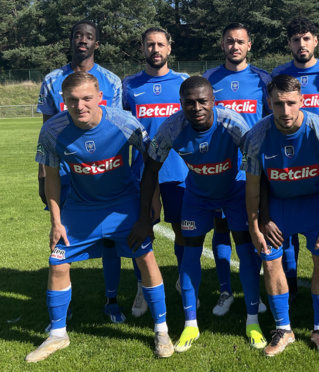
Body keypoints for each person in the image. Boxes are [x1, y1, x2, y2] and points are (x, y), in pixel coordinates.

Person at [28, 72, 173, 363]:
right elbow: (52, 179)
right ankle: (58, 334)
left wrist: (153, 200)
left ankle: (162, 330)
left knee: (146, 257)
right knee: (57, 261)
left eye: (86, 99)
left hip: (123, 204)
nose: (80, 106)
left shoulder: (124, 122)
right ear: (63, 102)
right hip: (80, 207)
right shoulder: (52, 131)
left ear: (99, 98)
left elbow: (151, 160)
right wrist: (56, 221)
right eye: (72, 101)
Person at [128, 76, 268, 352]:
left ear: (213, 101)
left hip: (234, 193)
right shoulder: (171, 127)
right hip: (196, 197)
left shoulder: (232, 123)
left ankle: (253, 320)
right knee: (189, 254)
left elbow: (258, 167)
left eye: (202, 101)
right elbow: (150, 170)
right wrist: (144, 219)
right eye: (189, 102)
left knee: (245, 250)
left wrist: (262, 213)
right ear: (181, 103)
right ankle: (190, 323)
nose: (196, 107)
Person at [243, 74, 319, 357]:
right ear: (269, 102)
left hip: (314, 205)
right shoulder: (257, 136)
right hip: (279, 206)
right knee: (271, 262)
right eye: (278, 104)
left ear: (302, 100)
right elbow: (252, 185)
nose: (285, 111)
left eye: (290, 103)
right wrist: (255, 224)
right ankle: (283, 329)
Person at [36, 19, 126, 328]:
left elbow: (111, 124)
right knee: (62, 238)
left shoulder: (111, 81)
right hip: (62, 171)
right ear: (71, 40)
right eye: (78, 35)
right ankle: (62, 313)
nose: (82, 40)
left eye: (89, 37)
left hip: (100, 171)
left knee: (111, 239)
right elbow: (46, 130)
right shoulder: (51, 79)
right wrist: (41, 176)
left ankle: (111, 300)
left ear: (96, 44)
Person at [271, 16, 319, 306]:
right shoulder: (279, 73)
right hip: (287, 158)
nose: (301, 44)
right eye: (296, 39)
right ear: (289, 43)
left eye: (306, 38)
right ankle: (290, 283)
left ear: (315, 41)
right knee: (285, 233)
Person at [203, 22, 271, 316]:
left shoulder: (263, 79)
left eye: (240, 41)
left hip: (253, 170)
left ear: (249, 45)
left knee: (251, 232)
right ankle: (225, 291)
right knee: (221, 229)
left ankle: (254, 292)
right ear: (222, 44)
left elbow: (272, 123)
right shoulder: (208, 79)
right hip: (219, 169)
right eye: (230, 41)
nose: (235, 46)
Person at [122, 26, 189, 318]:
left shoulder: (185, 82)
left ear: (169, 48)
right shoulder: (129, 85)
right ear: (142, 49)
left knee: (182, 230)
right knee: (142, 228)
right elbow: (120, 129)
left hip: (178, 170)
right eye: (150, 44)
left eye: (160, 44)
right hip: (141, 172)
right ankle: (142, 286)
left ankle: (184, 282)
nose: (155, 50)